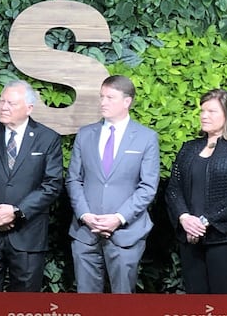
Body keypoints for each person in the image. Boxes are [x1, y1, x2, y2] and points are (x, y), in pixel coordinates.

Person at [0, 80, 63, 292]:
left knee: (25, 306)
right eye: (2, 101)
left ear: (29, 108)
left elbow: (52, 184)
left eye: (11, 103)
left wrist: (17, 212)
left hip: (28, 235)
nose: (4, 106)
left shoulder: (48, 138)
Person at [66, 75, 160, 293]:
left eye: (110, 97)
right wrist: (85, 215)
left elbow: (147, 187)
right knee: (86, 303)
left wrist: (118, 218)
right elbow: (74, 179)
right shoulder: (85, 134)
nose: (103, 102)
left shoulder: (146, 138)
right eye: (102, 97)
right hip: (85, 232)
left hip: (126, 234)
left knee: (122, 304)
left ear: (127, 101)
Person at [165, 89, 227, 294]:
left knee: (223, 300)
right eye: (202, 111)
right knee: (195, 300)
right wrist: (184, 218)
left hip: (226, 239)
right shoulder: (189, 148)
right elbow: (174, 188)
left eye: (211, 111)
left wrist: (203, 222)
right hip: (190, 237)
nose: (204, 115)